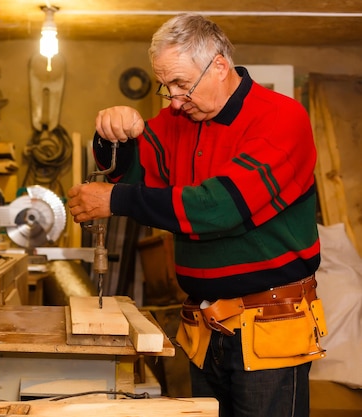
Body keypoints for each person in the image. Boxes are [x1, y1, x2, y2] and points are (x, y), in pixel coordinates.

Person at [67, 13, 327, 417]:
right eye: (165, 86)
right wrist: (111, 132)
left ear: (219, 65)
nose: (172, 100)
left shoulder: (281, 118)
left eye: (181, 85)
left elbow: (219, 208)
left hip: (270, 326)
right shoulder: (180, 119)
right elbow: (133, 172)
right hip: (205, 329)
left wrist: (116, 200)